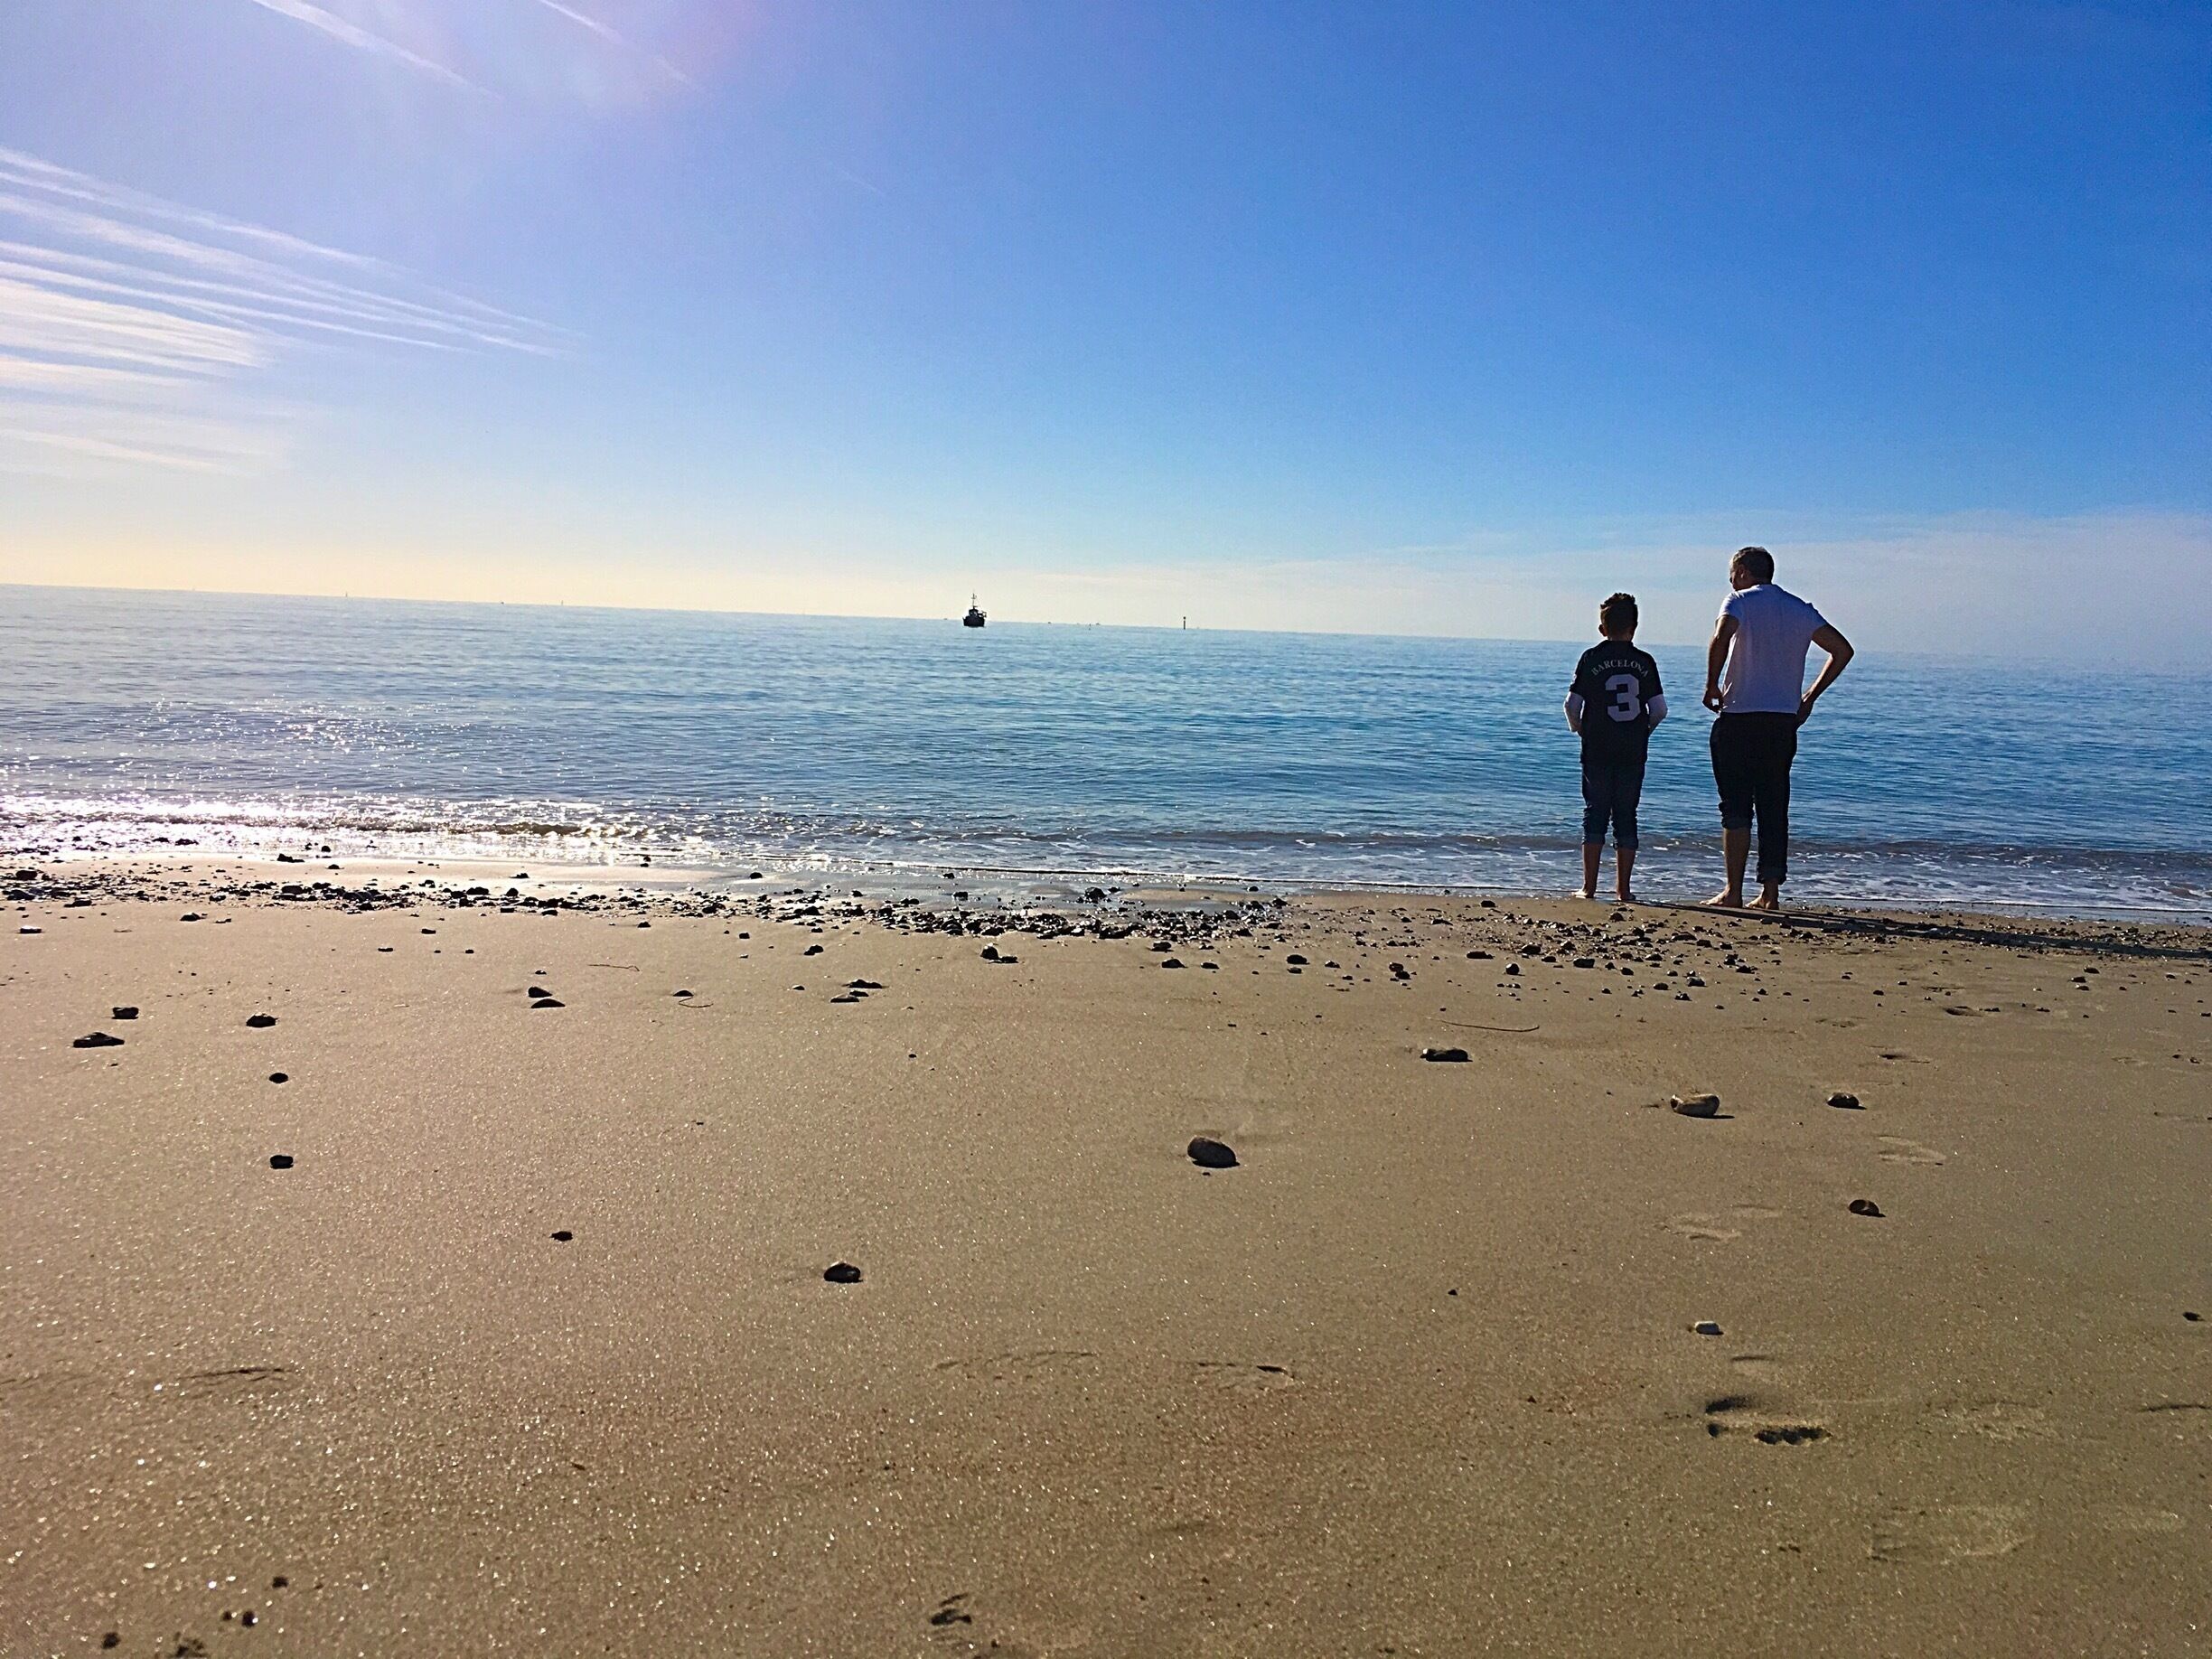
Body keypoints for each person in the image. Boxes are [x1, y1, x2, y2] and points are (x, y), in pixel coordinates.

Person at [1701, 546, 1854, 910]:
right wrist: (1809, 697)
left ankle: (1733, 891)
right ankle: (1770, 894)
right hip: (1781, 722)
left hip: (1740, 717)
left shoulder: (1739, 601)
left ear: (1743, 572)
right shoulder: (1799, 608)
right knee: (1773, 806)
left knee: (1736, 807)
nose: (1730, 580)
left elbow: (1722, 636)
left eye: (1732, 573)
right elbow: (1842, 650)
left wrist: (1711, 683)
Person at [1564, 592, 1666, 902]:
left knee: (1595, 813)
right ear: (1634, 627)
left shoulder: (1591, 658)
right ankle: (1624, 890)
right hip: (1632, 750)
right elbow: (1659, 709)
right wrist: (1644, 731)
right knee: (1626, 815)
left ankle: (1589, 888)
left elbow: (1571, 705)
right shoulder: (1645, 662)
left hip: (1597, 747)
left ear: (1602, 628)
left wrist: (1579, 729)